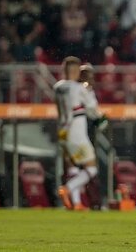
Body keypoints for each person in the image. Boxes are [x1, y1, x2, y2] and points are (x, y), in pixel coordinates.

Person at [54, 56, 105, 211]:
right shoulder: (79, 88)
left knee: (73, 168)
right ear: (76, 71)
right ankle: (67, 189)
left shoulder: (58, 87)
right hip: (76, 131)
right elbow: (92, 108)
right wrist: (89, 89)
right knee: (91, 169)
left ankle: (76, 203)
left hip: (62, 131)